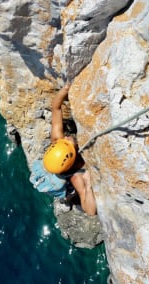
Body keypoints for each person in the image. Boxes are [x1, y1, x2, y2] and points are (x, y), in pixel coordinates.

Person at [43, 83, 97, 216]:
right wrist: (89, 185)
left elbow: (55, 108)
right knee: (77, 199)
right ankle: (69, 200)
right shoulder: (77, 178)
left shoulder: (58, 140)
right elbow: (90, 211)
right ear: (71, 157)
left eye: (65, 140)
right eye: (68, 142)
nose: (66, 138)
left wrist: (65, 89)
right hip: (74, 187)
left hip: (58, 163)